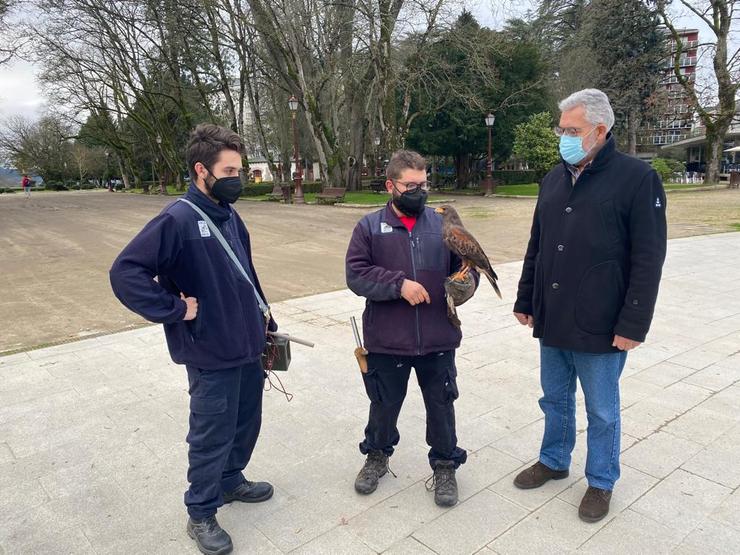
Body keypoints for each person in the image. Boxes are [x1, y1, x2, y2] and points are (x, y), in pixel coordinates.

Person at [110, 124, 276, 555]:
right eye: (230, 170)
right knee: (211, 433)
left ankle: (231, 479)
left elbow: (246, 275)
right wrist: (175, 309)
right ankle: (201, 511)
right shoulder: (178, 218)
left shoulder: (230, 215)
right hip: (209, 349)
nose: (239, 178)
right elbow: (125, 272)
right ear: (201, 170)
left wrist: (267, 318)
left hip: (247, 344)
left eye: (240, 169)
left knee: (245, 421)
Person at [512, 89, 667, 523]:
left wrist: (633, 323)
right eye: (562, 128)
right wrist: (527, 299)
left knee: (602, 409)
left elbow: (648, 257)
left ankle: (601, 480)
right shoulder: (554, 177)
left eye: (572, 130)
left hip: (602, 320)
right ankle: (554, 459)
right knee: (554, 398)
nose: (563, 136)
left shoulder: (636, 178)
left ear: (600, 130)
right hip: (552, 313)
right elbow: (537, 244)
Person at [345, 150, 477, 507]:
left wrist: (464, 285)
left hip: (437, 336)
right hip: (388, 339)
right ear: (391, 186)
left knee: (441, 405)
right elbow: (355, 274)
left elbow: (468, 268)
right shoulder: (370, 226)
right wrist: (397, 284)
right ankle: (376, 457)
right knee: (384, 405)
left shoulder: (442, 226)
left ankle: (446, 464)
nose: (420, 191)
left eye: (424, 184)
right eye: (411, 185)